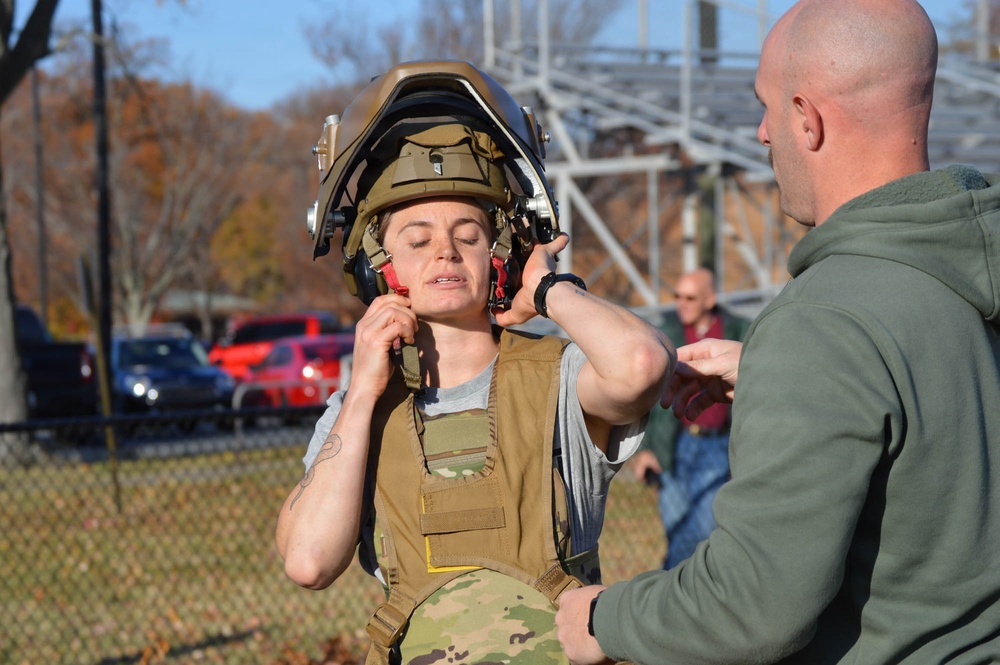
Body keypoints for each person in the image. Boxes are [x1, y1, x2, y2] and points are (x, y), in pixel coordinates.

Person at [556, 0, 1000, 662]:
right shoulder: (966, 269)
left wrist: (603, 618)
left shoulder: (823, 323)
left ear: (808, 119)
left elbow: (751, 606)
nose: (761, 132)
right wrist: (775, 366)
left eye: (767, 105)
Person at [274, 60, 675, 664]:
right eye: (417, 239)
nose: (445, 250)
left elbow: (643, 364)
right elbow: (308, 561)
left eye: (468, 234)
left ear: (499, 258)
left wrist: (550, 293)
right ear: (379, 268)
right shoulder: (362, 413)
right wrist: (360, 396)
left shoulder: (558, 379)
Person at [632, 268, 750, 569]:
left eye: (690, 297)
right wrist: (645, 448)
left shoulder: (737, 331)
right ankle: (676, 590)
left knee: (701, 530)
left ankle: (672, 590)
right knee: (676, 528)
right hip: (676, 447)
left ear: (709, 300)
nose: (681, 303)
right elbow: (649, 395)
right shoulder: (665, 334)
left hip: (718, 447)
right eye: (677, 296)